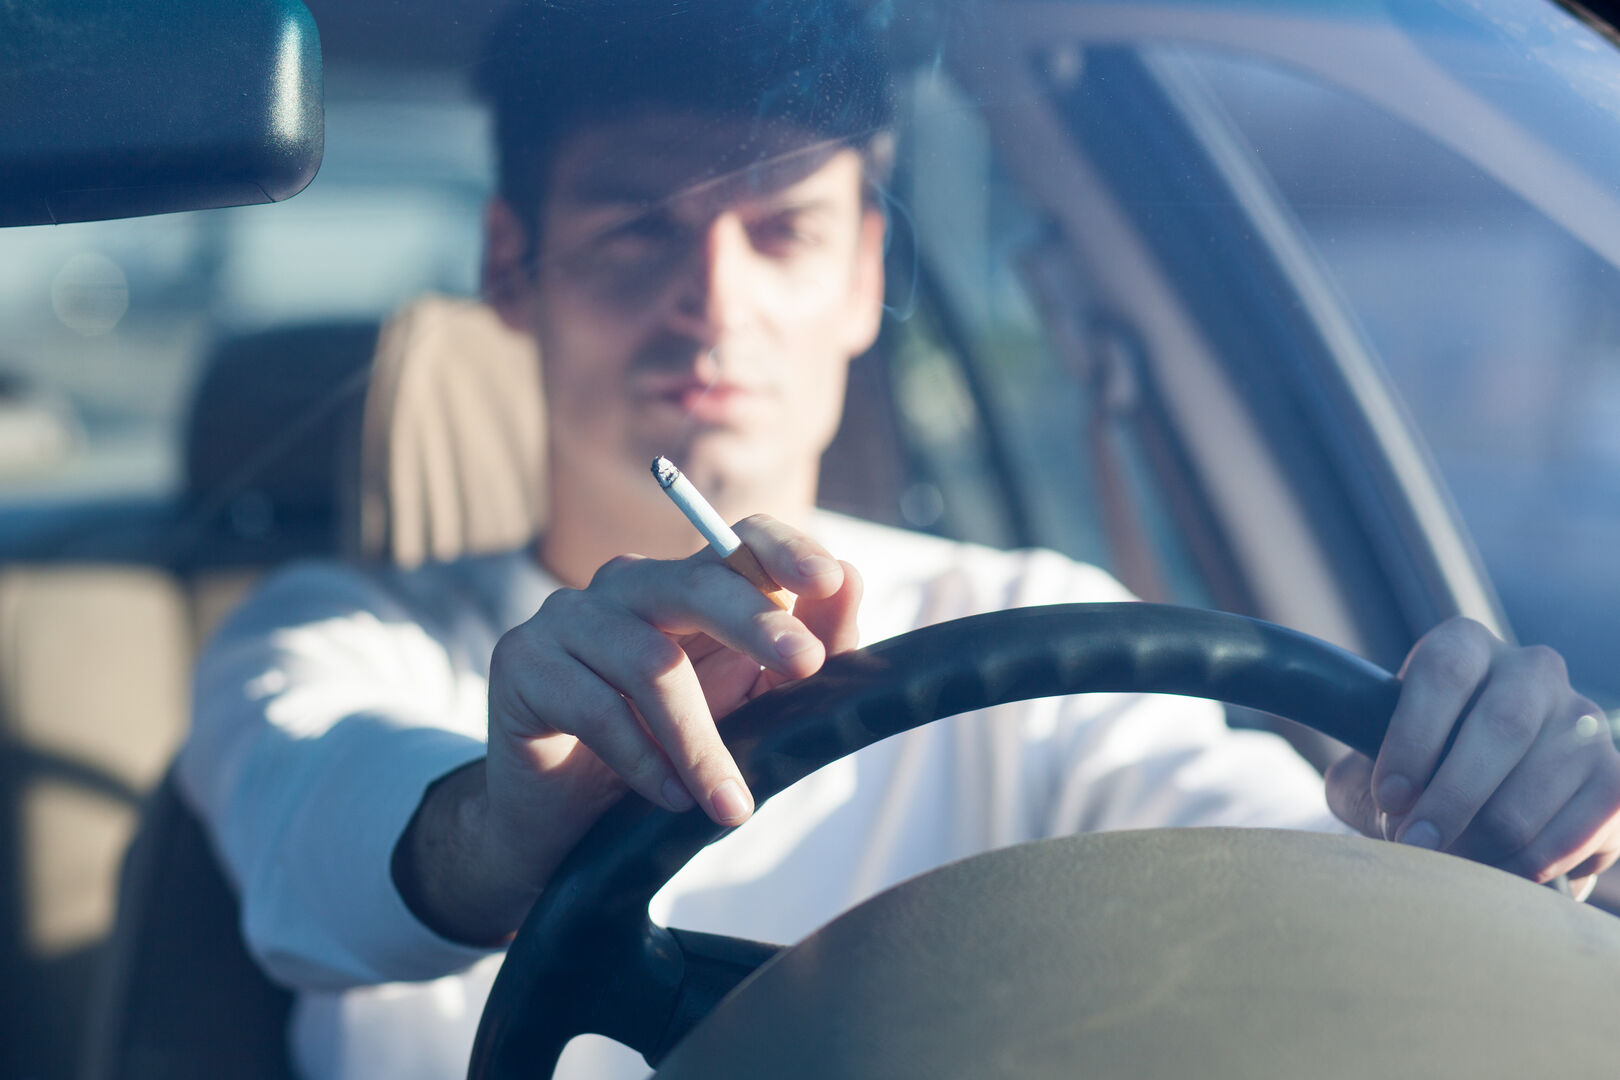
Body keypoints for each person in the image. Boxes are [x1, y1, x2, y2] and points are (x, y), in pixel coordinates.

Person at [178, 3, 1620, 1078]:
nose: (713, 301)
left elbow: (1246, 863)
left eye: (784, 232)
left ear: (867, 272)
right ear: (512, 266)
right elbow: (318, 838)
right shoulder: (333, 629)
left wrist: (1444, 830)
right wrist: (496, 827)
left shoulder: (1035, 620)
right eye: (637, 233)